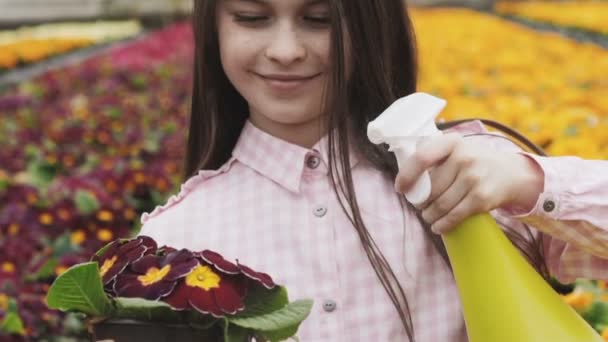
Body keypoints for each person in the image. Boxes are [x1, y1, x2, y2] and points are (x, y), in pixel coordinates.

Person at [139, 0, 608, 341]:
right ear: (213, 27)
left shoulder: (462, 178)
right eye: (252, 18)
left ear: (371, 24)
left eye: (319, 19)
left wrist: (531, 183)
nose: (285, 50)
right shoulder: (173, 241)